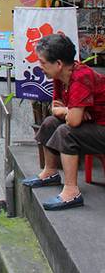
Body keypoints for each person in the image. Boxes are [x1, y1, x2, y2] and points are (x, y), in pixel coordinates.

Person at [22, 34, 105, 210]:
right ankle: (50, 172)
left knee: (66, 132)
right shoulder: (60, 77)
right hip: (93, 125)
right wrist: (70, 110)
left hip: (101, 127)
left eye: (43, 62)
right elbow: (56, 109)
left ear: (58, 64)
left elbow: (73, 122)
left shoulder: (81, 77)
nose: (40, 67)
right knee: (50, 123)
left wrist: (69, 112)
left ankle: (71, 192)